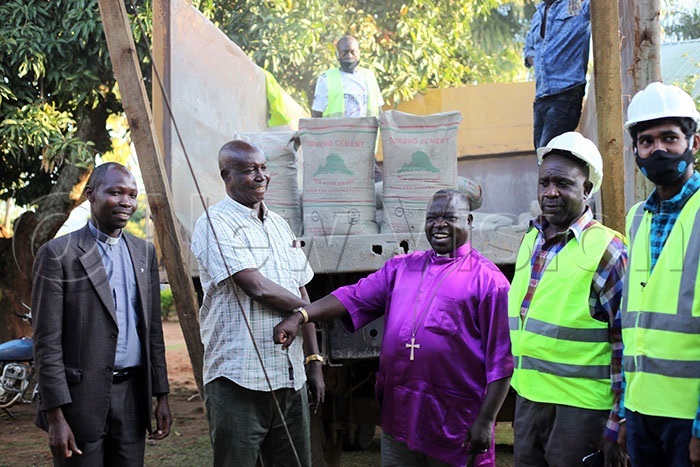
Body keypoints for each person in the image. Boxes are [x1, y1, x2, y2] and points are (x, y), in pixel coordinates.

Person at [274, 189, 513, 467]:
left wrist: (485, 421)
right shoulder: (402, 268)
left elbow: (502, 361)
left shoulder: (489, 281)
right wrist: (302, 315)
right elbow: (352, 296)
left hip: (455, 422)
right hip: (400, 418)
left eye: (449, 217)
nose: (439, 224)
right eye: (432, 217)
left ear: (469, 220)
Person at [190, 140, 324, 466]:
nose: (261, 176)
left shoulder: (279, 225)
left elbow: (301, 289)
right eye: (250, 170)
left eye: (264, 168)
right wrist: (311, 312)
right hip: (238, 381)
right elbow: (257, 287)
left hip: (289, 378)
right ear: (227, 176)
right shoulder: (214, 223)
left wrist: (314, 361)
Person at [32, 162, 172, 465]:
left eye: (132, 194)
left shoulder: (143, 252)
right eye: (116, 192)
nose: (126, 201)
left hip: (133, 398)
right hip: (79, 403)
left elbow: (152, 331)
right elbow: (46, 342)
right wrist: (55, 416)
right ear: (90, 194)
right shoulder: (59, 254)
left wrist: (161, 395)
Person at [508, 132, 628, 466]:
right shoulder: (531, 240)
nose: (550, 192)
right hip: (529, 402)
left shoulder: (607, 250)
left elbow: (626, 342)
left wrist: (618, 420)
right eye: (544, 182)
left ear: (587, 189)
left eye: (562, 183)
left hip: (582, 412)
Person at [617, 81, 700, 467]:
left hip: (689, 418)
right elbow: (634, 325)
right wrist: (624, 409)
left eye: (670, 137)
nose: (658, 150)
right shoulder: (636, 219)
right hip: (640, 411)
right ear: (635, 152)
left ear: (694, 144)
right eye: (647, 141)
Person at [524, 0, 591, 149]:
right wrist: (543, 61)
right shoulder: (538, 13)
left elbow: (600, 10)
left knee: (549, 155)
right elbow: (528, 48)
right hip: (541, 98)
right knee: (543, 158)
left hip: (566, 93)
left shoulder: (575, 5)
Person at [311, 34, 384, 119]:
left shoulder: (369, 76)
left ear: (359, 53)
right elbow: (316, 114)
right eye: (344, 53)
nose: (349, 56)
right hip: (338, 132)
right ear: (337, 55)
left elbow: (379, 110)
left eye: (353, 52)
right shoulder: (326, 79)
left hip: (367, 131)